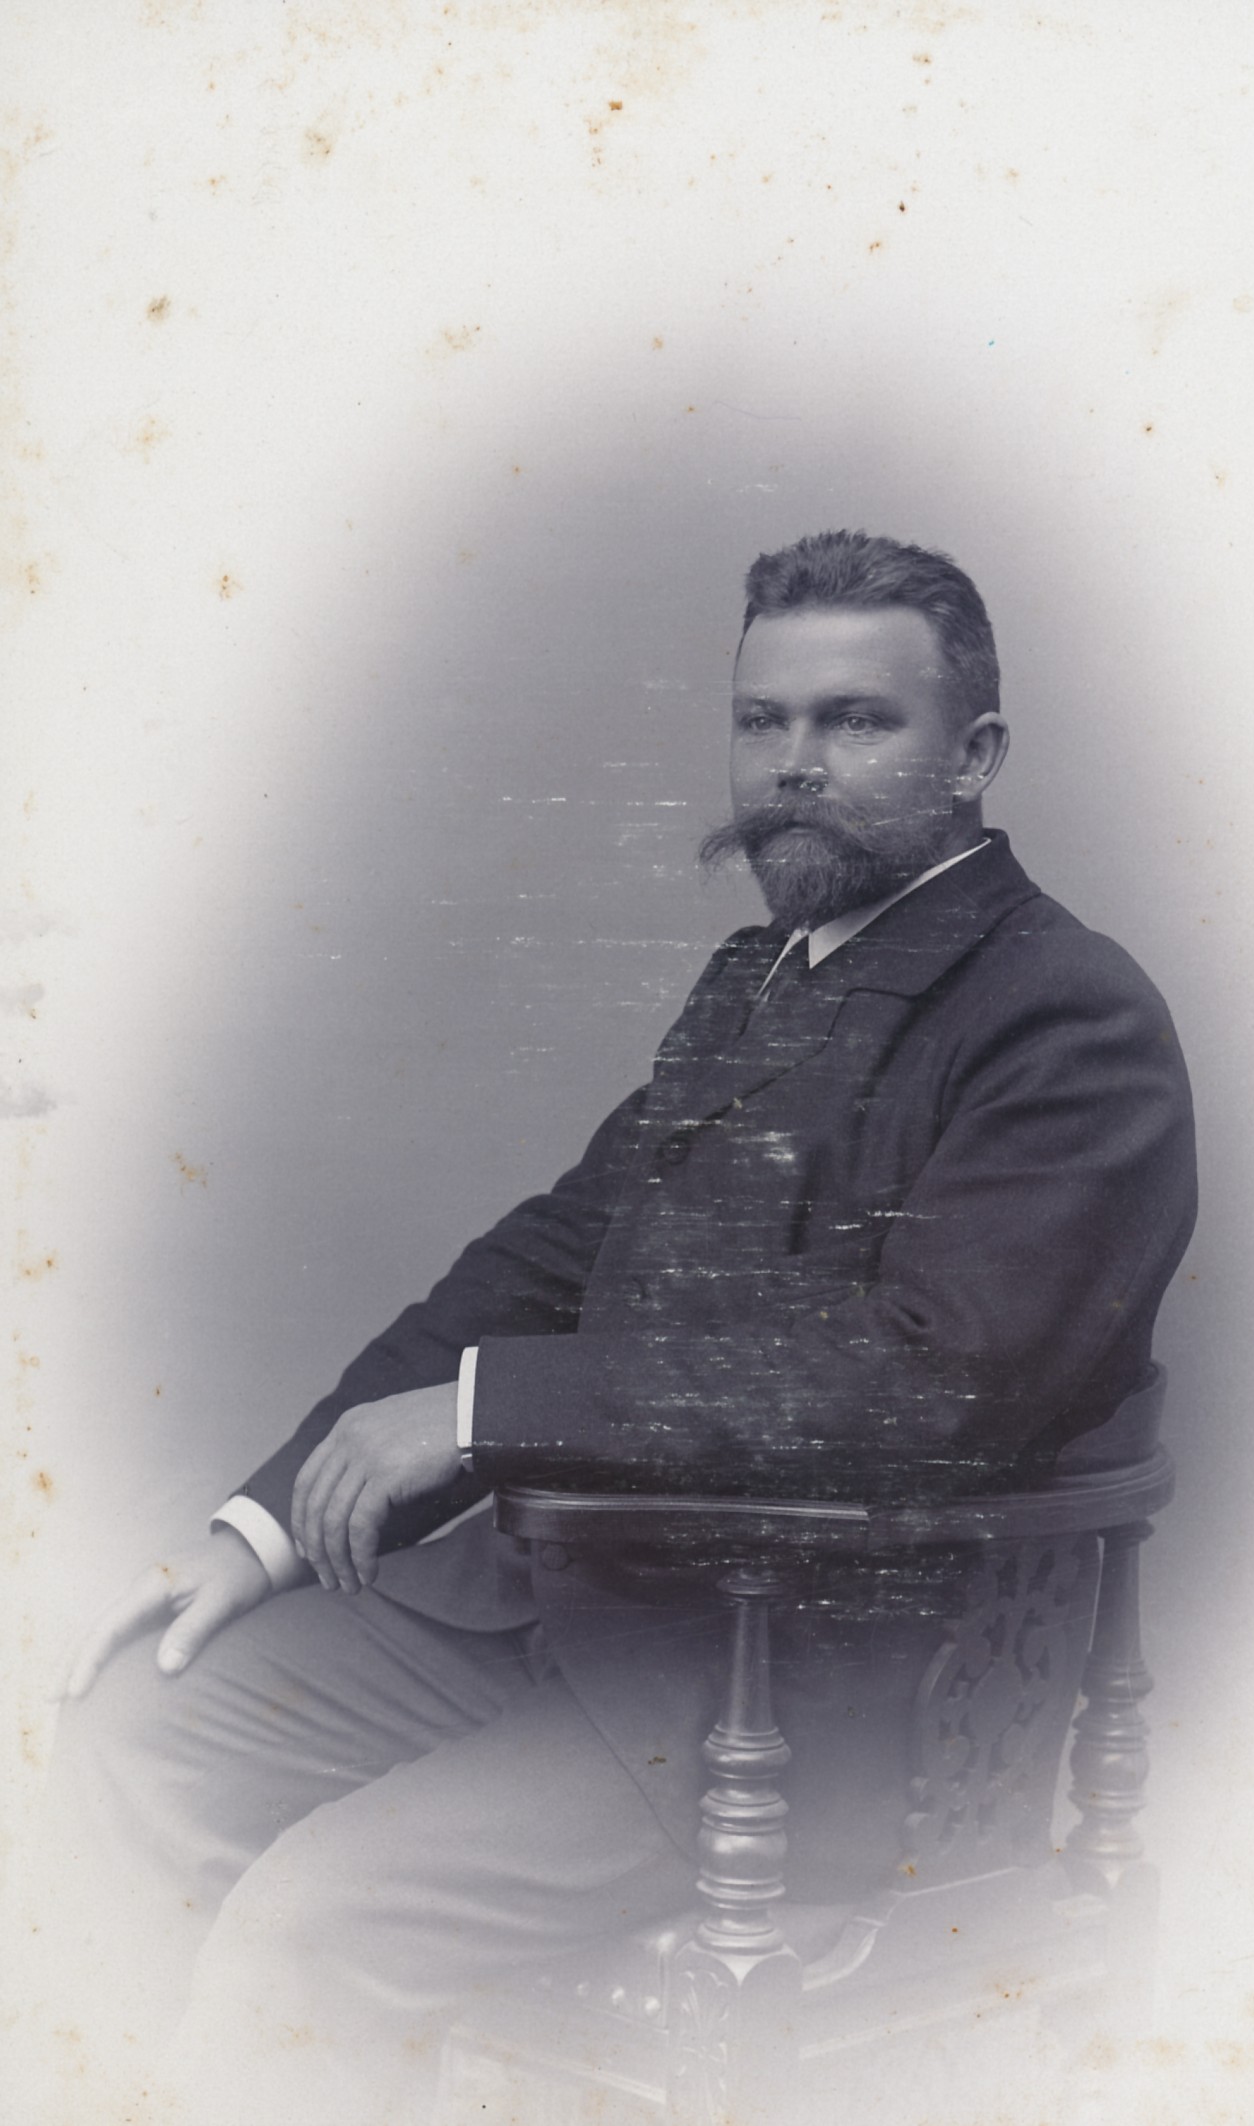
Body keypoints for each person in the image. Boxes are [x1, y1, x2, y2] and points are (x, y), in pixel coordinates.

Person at [45, 530, 1196, 2124]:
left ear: (976, 755)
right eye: (762, 720)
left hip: (801, 1699)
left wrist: (482, 1417)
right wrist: (264, 1526)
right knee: (140, 1736)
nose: (794, 765)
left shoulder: (1067, 1012)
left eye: (858, 721)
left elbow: (932, 1378)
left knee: (314, 1923)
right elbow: (549, 1256)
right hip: (580, 1618)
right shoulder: (755, 979)